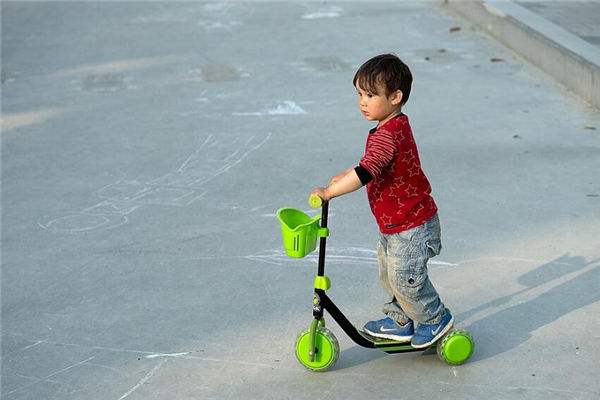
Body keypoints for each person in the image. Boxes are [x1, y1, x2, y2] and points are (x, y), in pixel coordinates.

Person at [310, 54, 453, 348]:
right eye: (360, 94)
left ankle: (434, 318)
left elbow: (367, 171)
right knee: (390, 275)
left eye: (371, 95)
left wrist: (330, 192)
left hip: (412, 226)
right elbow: (369, 164)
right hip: (395, 223)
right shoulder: (390, 127)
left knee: (406, 279)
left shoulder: (389, 135)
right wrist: (343, 174)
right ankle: (401, 319)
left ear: (396, 97)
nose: (363, 102)